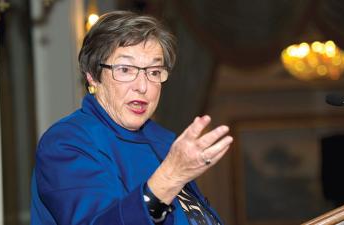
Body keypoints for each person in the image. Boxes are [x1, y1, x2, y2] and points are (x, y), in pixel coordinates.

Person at [30, 10, 233, 225]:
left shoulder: (163, 140)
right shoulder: (67, 143)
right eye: (125, 69)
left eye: (154, 71)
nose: (143, 86)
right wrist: (170, 176)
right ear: (92, 75)